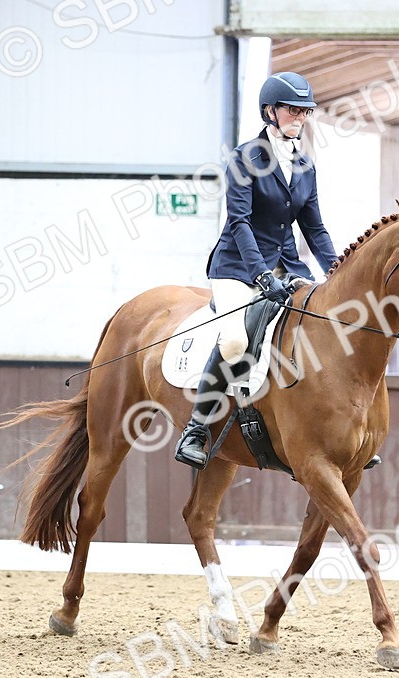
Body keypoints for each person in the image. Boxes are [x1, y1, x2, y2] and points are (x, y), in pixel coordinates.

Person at [174, 72, 339, 469]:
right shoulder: (245, 158)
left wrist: (335, 268)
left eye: (304, 111)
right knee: (233, 342)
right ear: (270, 111)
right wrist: (261, 274)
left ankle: (337, 427)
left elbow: (313, 227)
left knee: (322, 326)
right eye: (291, 109)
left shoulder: (305, 165)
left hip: (285, 266)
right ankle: (196, 428)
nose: (299, 117)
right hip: (237, 266)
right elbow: (240, 222)